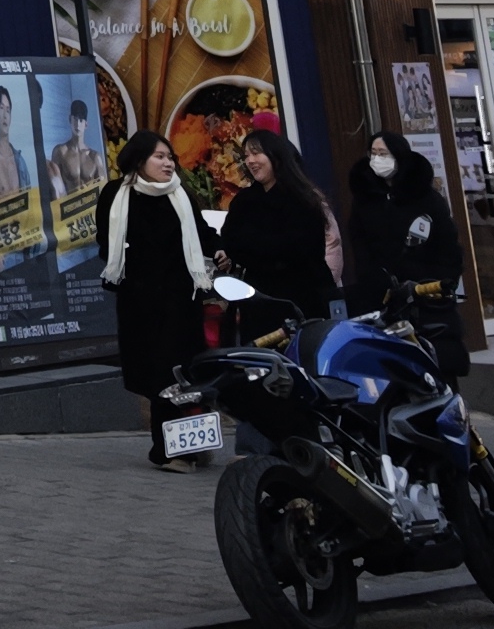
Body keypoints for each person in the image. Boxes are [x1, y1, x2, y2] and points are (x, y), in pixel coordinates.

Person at [103, 131, 216, 464]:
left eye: (170, 158)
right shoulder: (116, 195)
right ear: (139, 161)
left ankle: (187, 448)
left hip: (182, 301)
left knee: (183, 373)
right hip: (140, 304)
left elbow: (201, 233)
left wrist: (220, 250)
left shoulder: (180, 194)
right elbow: (104, 240)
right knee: (157, 377)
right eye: (160, 157)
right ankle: (169, 451)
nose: (168, 163)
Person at [348, 128, 473, 374]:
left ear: (399, 156)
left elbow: (448, 246)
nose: (377, 159)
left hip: (427, 295)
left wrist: (439, 283)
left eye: (383, 153)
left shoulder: (426, 198)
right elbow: (359, 245)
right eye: (373, 153)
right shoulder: (365, 200)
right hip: (383, 299)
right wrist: (372, 281)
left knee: (437, 364)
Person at [218, 127, 341, 329]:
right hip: (259, 296)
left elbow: (302, 249)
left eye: (256, 153)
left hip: (302, 295)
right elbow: (232, 240)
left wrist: (257, 248)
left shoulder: (302, 199)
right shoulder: (244, 201)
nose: (250, 161)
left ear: (275, 155)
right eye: (247, 155)